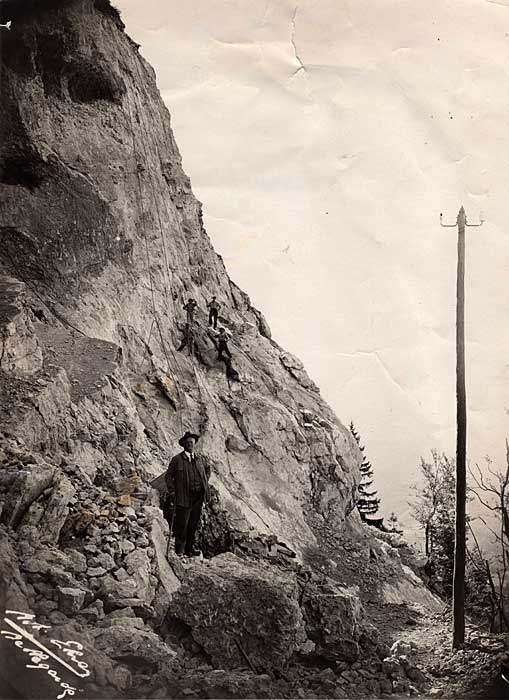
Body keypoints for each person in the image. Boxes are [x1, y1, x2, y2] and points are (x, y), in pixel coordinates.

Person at [165, 431, 210, 557]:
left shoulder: (200, 459)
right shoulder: (177, 460)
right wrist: (172, 491)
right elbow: (168, 476)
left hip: (198, 498)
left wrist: (204, 482)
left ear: (194, 443)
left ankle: (190, 549)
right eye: (188, 442)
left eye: (192, 442)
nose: (190, 444)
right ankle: (179, 550)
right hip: (184, 497)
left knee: (193, 524)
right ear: (184, 444)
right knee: (182, 524)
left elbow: (208, 469)